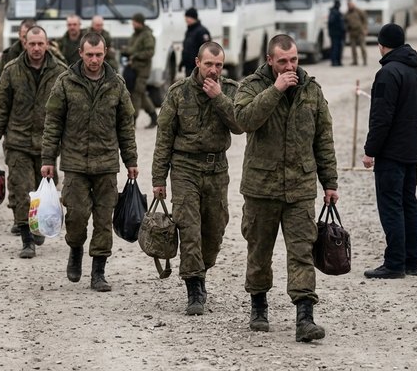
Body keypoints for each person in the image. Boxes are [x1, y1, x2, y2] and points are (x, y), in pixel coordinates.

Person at [234, 34, 338, 343]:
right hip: (261, 186)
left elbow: (323, 139)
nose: (290, 65)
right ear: (269, 60)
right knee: (259, 251)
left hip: (300, 187)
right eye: (283, 61)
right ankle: (258, 305)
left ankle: (305, 316)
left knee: (302, 252)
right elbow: (243, 120)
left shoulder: (311, 90)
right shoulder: (252, 86)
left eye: (293, 59)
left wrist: (329, 182)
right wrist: (275, 90)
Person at [41, 32, 138, 292]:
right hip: (74, 163)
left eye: (99, 55)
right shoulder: (65, 82)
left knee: (104, 219)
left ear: (105, 53)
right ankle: (75, 249)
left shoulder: (116, 84)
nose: (94, 60)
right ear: (81, 54)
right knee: (76, 215)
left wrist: (131, 160)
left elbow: (125, 126)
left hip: (106, 163)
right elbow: (53, 124)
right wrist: (48, 159)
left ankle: (98, 271)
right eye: (89, 55)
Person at [152, 41, 243, 315]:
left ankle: (202, 269)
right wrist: (159, 178)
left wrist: (219, 98)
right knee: (189, 228)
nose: (214, 70)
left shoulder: (229, 90)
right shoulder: (178, 92)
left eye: (218, 65)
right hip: (185, 169)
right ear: (197, 63)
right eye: (208, 65)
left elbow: (240, 125)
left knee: (214, 231)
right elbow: (164, 136)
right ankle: (194, 286)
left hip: (217, 169)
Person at [0, 26, 67, 258]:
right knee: (21, 190)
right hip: (18, 141)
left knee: (41, 192)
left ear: (47, 43)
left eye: (40, 43)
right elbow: (0, 108)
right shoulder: (11, 71)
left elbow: (67, 112)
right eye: (32, 44)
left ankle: (38, 225)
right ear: (25, 44)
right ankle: (27, 239)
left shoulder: (60, 72)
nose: (36, 48)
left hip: (47, 145)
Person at [361, 23, 417, 279]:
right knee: (409, 204)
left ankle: (395, 263)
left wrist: (370, 150)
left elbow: (381, 117)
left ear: (382, 45)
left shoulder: (388, 73)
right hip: (412, 149)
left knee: (391, 206)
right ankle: (413, 260)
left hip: (391, 152)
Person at [0, 18, 35, 130]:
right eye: (24, 36)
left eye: (29, 37)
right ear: (19, 35)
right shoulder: (8, 56)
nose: (26, 41)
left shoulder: (48, 56)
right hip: (15, 118)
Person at [123, 13, 158, 128]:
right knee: (140, 93)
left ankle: (133, 120)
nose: (133, 25)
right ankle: (154, 116)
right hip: (133, 68)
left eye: (134, 23)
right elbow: (132, 48)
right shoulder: (135, 35)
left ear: (140, 23)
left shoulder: (147, 35)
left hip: (143, 69)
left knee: (137, 94)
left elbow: (150, 52)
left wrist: (135, 55)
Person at [180, 8, 211, 77]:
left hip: (198, 68)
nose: (186, 20)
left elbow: (206, 50)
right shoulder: (189, 31)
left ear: (193, 17)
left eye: (187, 17)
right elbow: (187, 48)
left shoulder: (202, 31)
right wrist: (182, 62)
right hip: (189, 68)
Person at [344, 0, 368, 66]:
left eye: (350, 5)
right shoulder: (346, 13)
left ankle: (365, 61)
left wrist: (365, 28)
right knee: (353, 48)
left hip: (360, 31)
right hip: (352, 32)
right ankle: (355, 61)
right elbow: (345, 22)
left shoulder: (358, 11)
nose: (349, 6)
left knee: (362, 47)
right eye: (348, 5)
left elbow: (365, 19)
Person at [328, 0, 345, 66]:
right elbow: (332, 22)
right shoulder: (334, 13)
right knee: (336, 48)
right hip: (336, 34)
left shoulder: (335, 12)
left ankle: (337, 61)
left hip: (337, 34)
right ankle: (335, 61)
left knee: (337, 48)